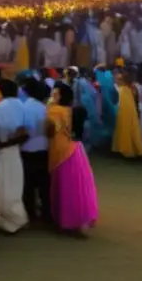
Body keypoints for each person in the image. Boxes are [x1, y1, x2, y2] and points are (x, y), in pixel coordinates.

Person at [46, 83, 98, 236]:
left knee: (65, 188)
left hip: (61, 152)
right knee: (77, 188)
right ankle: (81, 223)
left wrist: (49, 107)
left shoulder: (54, 111)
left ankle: (66, 221)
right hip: (76, 150)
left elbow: (50, 131)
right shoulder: (72, 110)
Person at [0, 79, 28, 233]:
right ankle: (14, 216)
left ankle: (4, 216)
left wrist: (0, 144)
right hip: (16, 151)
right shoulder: (23, 106)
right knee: (14, 184)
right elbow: (25, 132)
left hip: (1, 149)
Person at [20, 78, 50, 224]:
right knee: (44, 184)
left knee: (28, 184)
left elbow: (23, 130)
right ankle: (46, 213)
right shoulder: (44, 108)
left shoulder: (24, 107)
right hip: (43, 149)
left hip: (27, 149)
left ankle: (30, 212)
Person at [111, 70, 142, 158]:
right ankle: (133, 148)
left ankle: (126, 149)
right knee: (131, 126)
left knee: (125, 126)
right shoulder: (129, 89)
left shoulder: (123, 89)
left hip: (125, 108)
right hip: (129, 107)